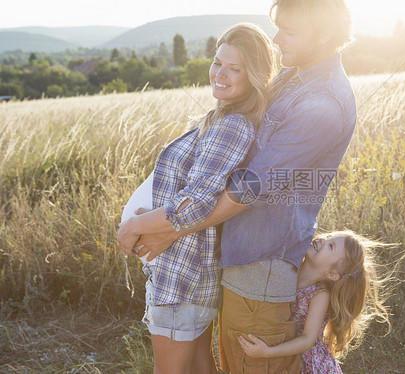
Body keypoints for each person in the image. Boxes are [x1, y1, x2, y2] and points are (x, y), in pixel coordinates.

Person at [117, 0, 357, 372]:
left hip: (260, 270)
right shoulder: (295, 76)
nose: (277, 39)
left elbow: (247, 189)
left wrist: (166, 229)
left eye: (290, 32)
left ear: (324, 34)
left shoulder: (322, 103)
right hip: (240, 263)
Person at [118, 23, 276, 374]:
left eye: (234, 69)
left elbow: (199, 200)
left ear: (254, 76)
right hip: (187, 275)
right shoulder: (221, 117)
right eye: (218, 62)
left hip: (182, 279)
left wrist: (134, 225)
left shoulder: (233, 124)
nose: (220, 74)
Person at [237, 231, 390, 373]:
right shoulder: (289, 270)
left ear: (331, 273)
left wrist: (268, 352)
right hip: (287, 353)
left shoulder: (319, 296)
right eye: (328, 238)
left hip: (309, 364)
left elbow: (307, 339)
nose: (322, 240)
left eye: (330, 246)